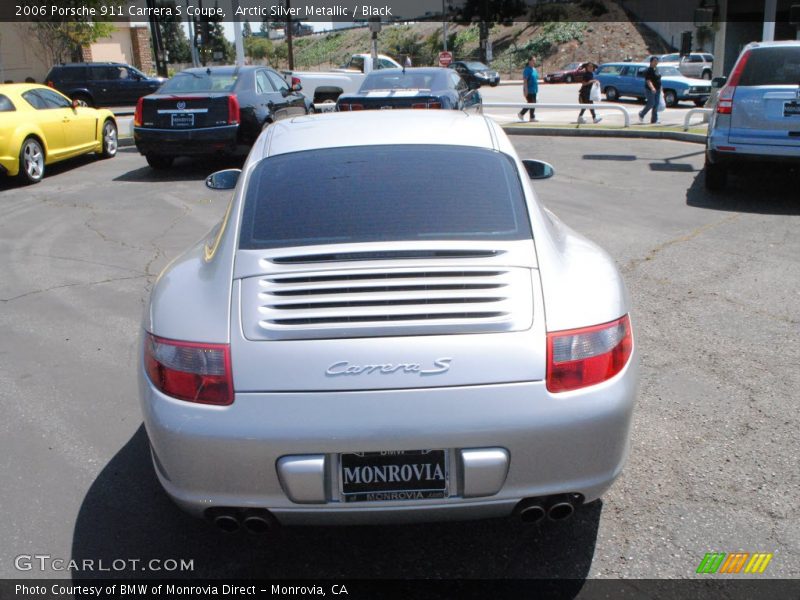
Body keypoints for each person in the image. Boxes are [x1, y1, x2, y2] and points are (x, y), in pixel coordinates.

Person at [639, 56, 662, 124]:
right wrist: (652, 88)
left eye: (657, 61)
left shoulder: (656, 69)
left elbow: (658, 79)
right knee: (651, 103)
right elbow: (648, 81)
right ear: (651, 62)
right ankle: (641, 114)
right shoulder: (649, 70)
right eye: (654, 61)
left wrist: (661, 88)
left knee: (656, 104)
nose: (656, 62)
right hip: (650, 90)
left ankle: (654, 120)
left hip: (658, 89)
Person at [518, 56, 539, 122]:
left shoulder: (534, 70)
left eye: (535, 60)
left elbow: (535, 79)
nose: (534, 62)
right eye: (533, 60)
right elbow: (525, 81)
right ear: (529, 61)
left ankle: (530, 117)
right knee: (531, 103)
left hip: (534, 89)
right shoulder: (527, 70)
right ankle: (523, 114)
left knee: (533, 103)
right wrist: (525, 90)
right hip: (529, 90)